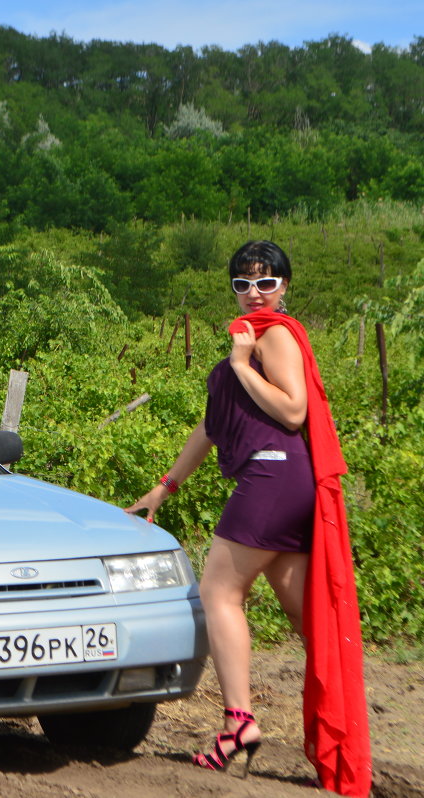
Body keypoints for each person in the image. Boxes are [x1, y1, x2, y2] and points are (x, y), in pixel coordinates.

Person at [125, 241, 370, 796]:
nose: (254, 292)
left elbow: (293, 409)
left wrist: (241, 362)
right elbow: (211, 428)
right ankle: (340, 735)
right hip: (282, 483)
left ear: (285, 286)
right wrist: (164, 487)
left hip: (272, 476)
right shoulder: (250, 337)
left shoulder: (276, 336)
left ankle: (239, 722)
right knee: (312, 623)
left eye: (265, 282)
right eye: (242, 283)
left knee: (218, 593)